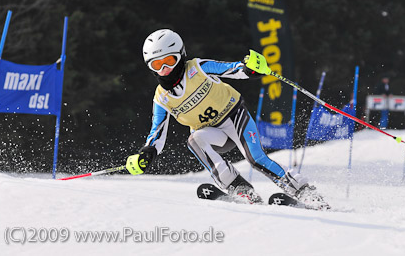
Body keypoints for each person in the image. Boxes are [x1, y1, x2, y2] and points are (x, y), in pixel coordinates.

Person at [125, 29, 327, 208]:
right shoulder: (161, 97)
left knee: (256, 159)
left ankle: (304, 191)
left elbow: (233, 69)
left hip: (234, 117)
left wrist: (249, 68)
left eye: (169, 61)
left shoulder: (197, 68)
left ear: (181, 56)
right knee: (194, 140)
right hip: (213, 134)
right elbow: (157, 133)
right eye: (156, 65)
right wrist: (147, 153)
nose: (164, 70)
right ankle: (239, 188)